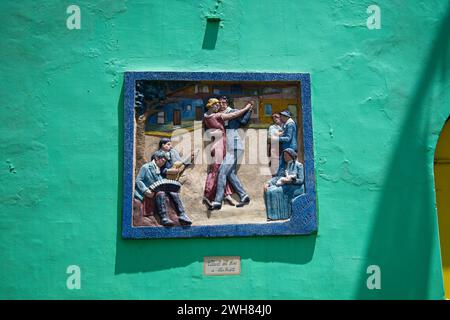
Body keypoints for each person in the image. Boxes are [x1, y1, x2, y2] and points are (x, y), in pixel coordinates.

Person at [202, 98, 253, 210]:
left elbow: (242, 120)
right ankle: (244, 196)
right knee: (231, 174)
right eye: (220, 103)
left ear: (228, 103)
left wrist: (248, 109)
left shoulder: (230, 112)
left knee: (222, 172)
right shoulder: (218, 115)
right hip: (228, 147)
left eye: (223, 102)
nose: (221, 104)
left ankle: (217, 201)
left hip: (234, 146)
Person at [134, 150, 192, 226]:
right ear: (156, 158)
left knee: (173, 193)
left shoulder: (159, 171)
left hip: (156, 191)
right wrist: (146, 190)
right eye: (162, 160)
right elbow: (139, 180)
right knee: (161, 193)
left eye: (164, 161)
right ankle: (164, 217)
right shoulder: (146, 167)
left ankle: (182, 214)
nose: (163, 162)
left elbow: (161, 182)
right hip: (148, 193)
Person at [263, 148, 305, 221]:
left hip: (296, 187)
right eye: (284, 155)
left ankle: (282, 215)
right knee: (269, 190)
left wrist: (290, 181)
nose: (284, 157)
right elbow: (278, 177)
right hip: (287, 185)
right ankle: (272, 215)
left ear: (291, 155)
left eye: (286, 155)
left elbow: (301, 180)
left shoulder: (299, 165)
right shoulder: (286, 166)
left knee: (276, 191)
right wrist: (268, 183)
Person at [274, 109, 298, 176]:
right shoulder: (288, 124)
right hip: (289, 147)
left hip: (289, 148)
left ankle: (277, 179)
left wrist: (277, 139)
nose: (281, 117)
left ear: (287, 117)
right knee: (286, 166)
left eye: (282, 116)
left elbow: (288, 138)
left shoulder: (290, 124)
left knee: (282, 165)